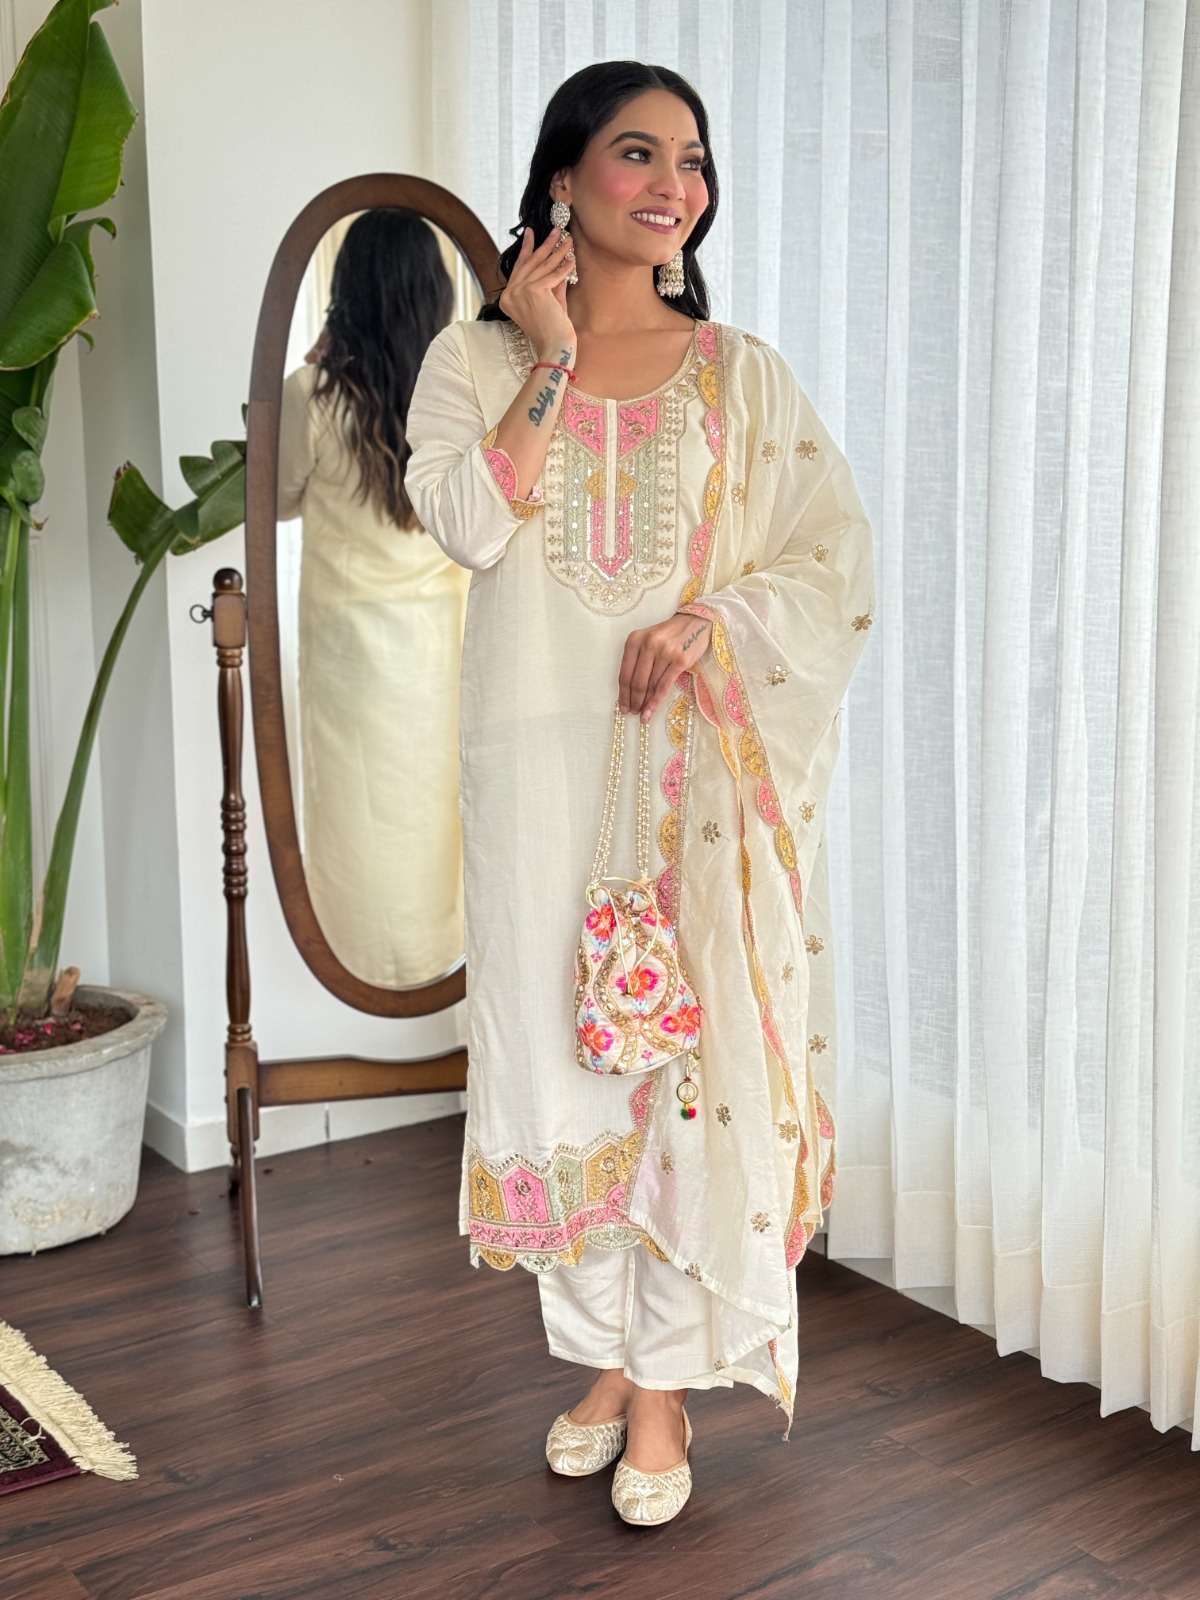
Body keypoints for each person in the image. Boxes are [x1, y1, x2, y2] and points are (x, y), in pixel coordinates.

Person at [405, 61, 875, 1527]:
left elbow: (832, 562)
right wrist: (546, 356)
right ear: (563, 179)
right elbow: (470, 526)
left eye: (693, 159)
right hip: (535, 782)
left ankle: (662, 1386)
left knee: (682, 1064)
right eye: (638, 153)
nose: (675, 185)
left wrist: (714, 622)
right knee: (566, 1062)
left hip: (692, 779)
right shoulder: (472, 364)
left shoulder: (742, 376)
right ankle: (607, 1358)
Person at [277, 208, 471, 989]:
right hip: (444, 642)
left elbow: (276, 501)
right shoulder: (462, 398)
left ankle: (369, 963)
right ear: (434, 293)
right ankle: (435, 955)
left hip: (349, 653)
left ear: (347, 290)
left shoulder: (312, 394)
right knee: (436, 810)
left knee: (360, 818)